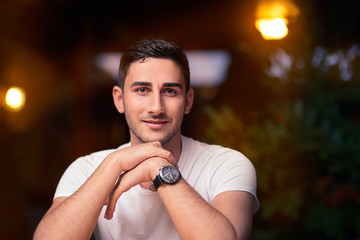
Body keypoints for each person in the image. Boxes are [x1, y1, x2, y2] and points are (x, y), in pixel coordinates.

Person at [34, 38, 259, 240]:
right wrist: (114, 164)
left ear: (188, 101)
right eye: (142, 90)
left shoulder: (227, 165)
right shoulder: (86, 168)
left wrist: (159, 169)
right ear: (120, 100)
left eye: (170, 91)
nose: (156, 107)